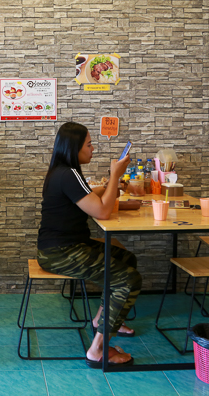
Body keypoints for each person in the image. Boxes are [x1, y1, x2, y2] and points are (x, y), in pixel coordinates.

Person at [37, 122, 142, 368]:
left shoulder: (63, 171)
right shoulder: (68, 174)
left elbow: (88, 195)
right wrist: (115, 175)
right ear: (74, 148)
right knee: (128, 278)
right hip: (61, 252)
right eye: (89, 144)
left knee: (127, 259)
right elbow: (103, 211)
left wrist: (110, 185)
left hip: (65, 246)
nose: (93, 149)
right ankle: (97, 350)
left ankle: (102, 321)